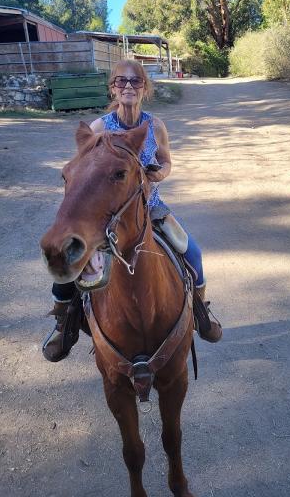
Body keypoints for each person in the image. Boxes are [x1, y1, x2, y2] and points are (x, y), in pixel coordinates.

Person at [43, 60, 222, 362]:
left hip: (151, 209)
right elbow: (84, 173)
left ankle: (201, 313)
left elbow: (166, 160)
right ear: (112, 87)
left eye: (135, 81)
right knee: (73, 260)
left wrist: (159, 173)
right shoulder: (99, 128)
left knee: (193, 253)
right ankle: (63, 324)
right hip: (111, 216)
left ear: (145, 88)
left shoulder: (156, 126)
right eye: (121, 81)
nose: (128, 86)